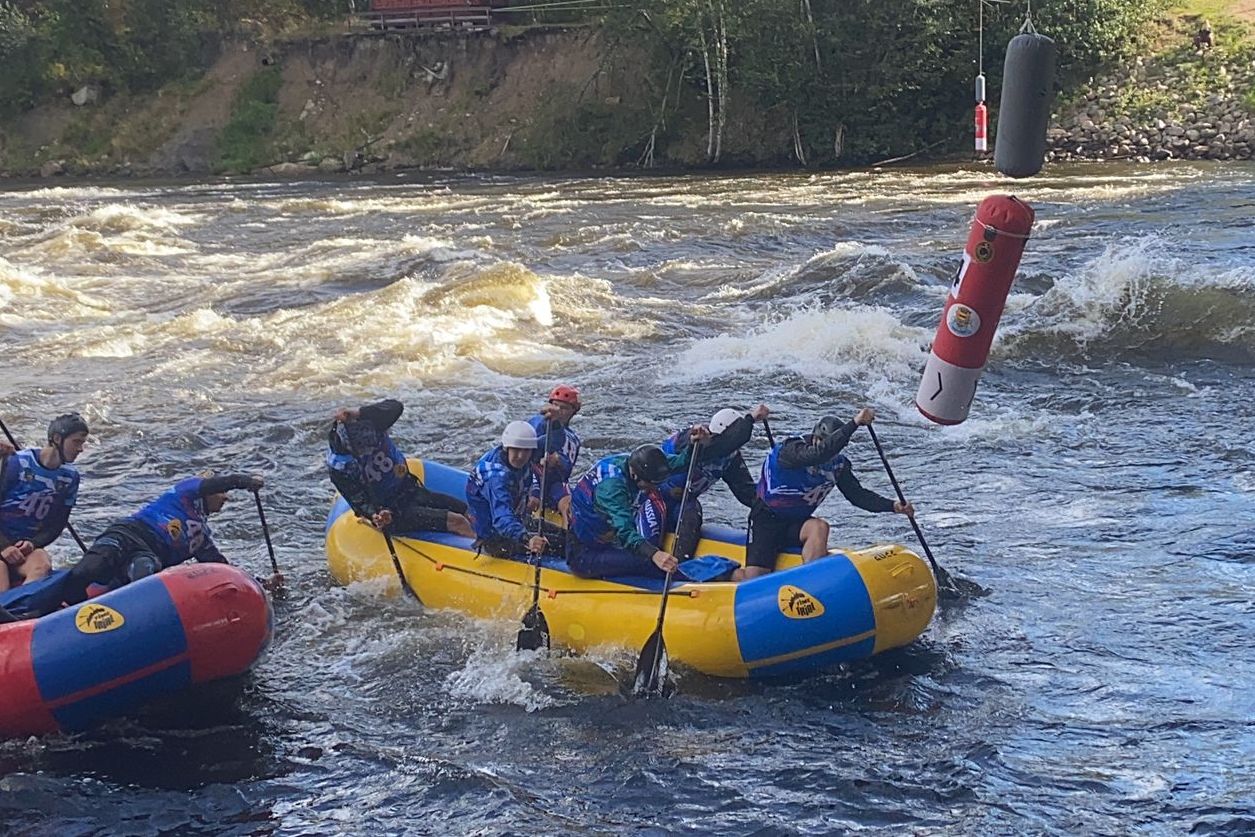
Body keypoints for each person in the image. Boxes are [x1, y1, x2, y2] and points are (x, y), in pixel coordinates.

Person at [738, 408, 913, 581]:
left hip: (797, 524)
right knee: (753, 579)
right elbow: (817, 455)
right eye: (825, 444)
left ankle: (812, 585)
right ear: (815, 438)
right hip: (766, 521)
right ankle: (723, 575)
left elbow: (857, 496)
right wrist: (854, 423)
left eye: (834, 449)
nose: (831, 454)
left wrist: (893, 506)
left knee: (820, 527)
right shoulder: (791, 451)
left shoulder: (838, 465)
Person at [58, 472, 270, 608]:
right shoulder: (185, 492)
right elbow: (218, 483)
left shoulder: (201, 537)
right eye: (221, 492)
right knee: (88, 569)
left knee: (143, 570)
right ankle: (57, 606)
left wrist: (263, 584)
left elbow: (222, 568)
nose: (226, 497)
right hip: (127, 534)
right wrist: (244, 482)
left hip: (147, 556)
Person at [567, 426, 710, 580]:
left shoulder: (642, 462)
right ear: (635, 476)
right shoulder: (612, 490)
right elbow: (625, 531)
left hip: (611, 541)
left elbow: (680, 463)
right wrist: (654, 554)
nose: (653, 488)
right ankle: (698, 580)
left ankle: (708, 571)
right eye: (649, 484)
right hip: (585, 553)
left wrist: (694, 444)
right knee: (648, 560)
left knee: (650, 551)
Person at [326, 399, 473, 538]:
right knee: (457, 521)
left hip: (410, 491)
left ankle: (488, 541)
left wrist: (358, 412)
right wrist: (377, 514)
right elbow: (359, 501)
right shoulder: (341, 468)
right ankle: (482, 560)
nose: (369, 448)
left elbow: (395, 407)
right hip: (393, 512)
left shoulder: (373, 423)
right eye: (364, 446)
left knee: (466, 510)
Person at [656, 404, 769, 562]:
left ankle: (678, 565)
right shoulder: (693, 440)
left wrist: (776, 505)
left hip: (681, 505)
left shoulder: (730, 457)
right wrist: (749, 419)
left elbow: (746, 492)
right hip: (653, 499)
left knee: (692, 514)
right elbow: (725, 443)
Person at [0, 413, 89, 593]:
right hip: (2, 543)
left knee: (41, 563)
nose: (81, 449)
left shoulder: (69, 478)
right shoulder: (15, 464)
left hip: (22, 548)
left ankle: (21, 609)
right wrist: (5, 547)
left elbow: (57, 523)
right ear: (57, 439)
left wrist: (33, 543)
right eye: (76, 442)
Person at [466, 421, 549, 559]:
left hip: (516, 519)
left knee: (563, 535)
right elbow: (502, 518)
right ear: (507, 448)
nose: (521, 456)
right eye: (516, 450)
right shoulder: (496, 478)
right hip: (496, 537)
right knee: (554, 545)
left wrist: (534, 491)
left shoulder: (520, 461)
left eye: (526, 451)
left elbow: (533, 473)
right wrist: (527, 539)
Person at [527, 385, 582, 525]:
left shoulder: (573, 439)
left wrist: (558, 461)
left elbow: (566, 472)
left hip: (553, 482)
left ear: (573, 412)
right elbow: (523, 457)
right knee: (531, 497)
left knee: (569, 502)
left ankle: (569, 536)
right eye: (555, 406)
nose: (558, 411)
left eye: (564, 408)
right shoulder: (538, 423)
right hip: (532, 475)